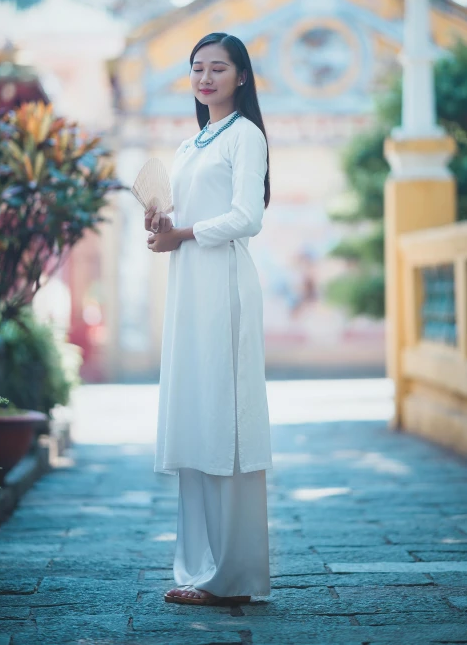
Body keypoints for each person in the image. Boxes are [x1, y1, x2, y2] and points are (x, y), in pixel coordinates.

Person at [145, 32, 272, 606]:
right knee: (196, 417)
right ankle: (197, 567)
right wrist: (161, 226)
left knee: (226, 422)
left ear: (241, 77)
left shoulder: (244, 136)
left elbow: (246, 217)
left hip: (223, 286)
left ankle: (233, 575)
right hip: (189, 288)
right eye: (197, 68)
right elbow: (184, 217)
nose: (205, 78)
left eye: (218, 68)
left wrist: (186, 233)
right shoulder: (192, 142)